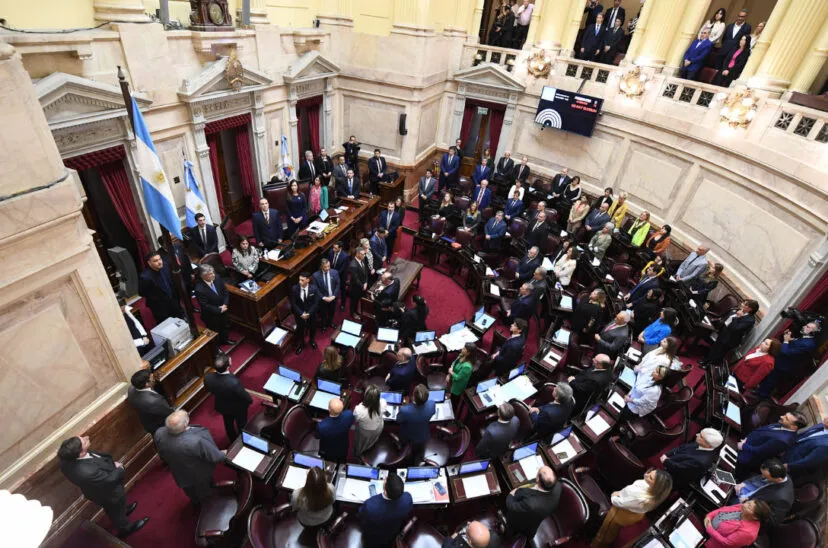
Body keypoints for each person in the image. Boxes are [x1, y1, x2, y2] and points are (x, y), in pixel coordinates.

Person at [58, 436, 149, 537]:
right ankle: (126, 528)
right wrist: (120, 468)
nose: (87, 437)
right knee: (115, 509)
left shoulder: (67, 459)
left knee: (116, 508)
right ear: (80, 453)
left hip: (97, 490)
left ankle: (123, 511)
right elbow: (109, 480)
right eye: (84, 441)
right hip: (108, 494)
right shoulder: (86, 472)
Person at [154, 410, 225, 504]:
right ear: (184, 426)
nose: (188, 414)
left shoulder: (159, 433)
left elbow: (162, 453)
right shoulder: (195, 441)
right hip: (199, 474)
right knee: (207, 495)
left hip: (180, 473)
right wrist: (223, 453)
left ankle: (196, 503)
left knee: (191, 493)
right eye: (187, 416)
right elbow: (216, 457)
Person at [591, 469, 672, 547]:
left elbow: (619, 503)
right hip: (631, 509)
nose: (646, 475)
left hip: (620, 513)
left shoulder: (641, 499)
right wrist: (620, 493)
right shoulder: (653, 492)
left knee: (605, 533)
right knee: (612, 531)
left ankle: (597, 545)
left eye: (650, 477)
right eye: (650, 473)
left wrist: (613, 496)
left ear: (656, 488)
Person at [757, 320, 821, 399]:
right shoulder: (805, 339)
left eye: (807, 327)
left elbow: (785, 352)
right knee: (767, 379)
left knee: (770, 382)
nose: (804, 327)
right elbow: (795, 346)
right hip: (780, 362)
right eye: (806, 325)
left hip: (784, 366)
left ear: (813, 332)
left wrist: (786, 341)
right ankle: (759, 391)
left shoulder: (808, 344)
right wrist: (789, 339)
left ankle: (760, 397)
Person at [736, 412, 807, 480]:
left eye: (786, 418)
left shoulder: (783, 441)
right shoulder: (782, 423)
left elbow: (760, 451)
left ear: (793, 427)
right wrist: (747, 438)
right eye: (785, 415)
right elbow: (761, 430)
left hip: (747, 457)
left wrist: (743, 446)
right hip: (745, 443)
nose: (781, 417)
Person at [204, 352, 252, 441]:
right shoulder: (234, 382)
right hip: (238, 408)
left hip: (222, 406)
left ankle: (232, 440)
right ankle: (244, 439)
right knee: (241, 424)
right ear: (228, 366)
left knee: (228, 424)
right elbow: (245, 397)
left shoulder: (207, 377)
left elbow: (209, 390)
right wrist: (250, 401)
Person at [504, 466, 561, 538]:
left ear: (537, 479)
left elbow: (511, 505)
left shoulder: (530, 503)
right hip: (540, 513)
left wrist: (511, 494)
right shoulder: (558, 486)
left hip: (522, 522)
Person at [732, 459, 794, 526]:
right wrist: (744, 483)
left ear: (779, 479)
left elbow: (772, 521)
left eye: (766, 476)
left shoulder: (782, 499)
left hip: (747, 510)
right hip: (747, 495)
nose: (762, 477)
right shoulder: (779, 474)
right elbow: (760, 477)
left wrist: (748, 503)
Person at [359, 473, 414, 548]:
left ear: (385, 489)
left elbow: (360, 515)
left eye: (385, 480)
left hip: (372, 540)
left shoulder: (370, 506)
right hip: (392, 536)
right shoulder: (407, 499)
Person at [703, 299, 759, 366]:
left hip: (730, 339)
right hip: (724, 332)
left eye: (745, 304)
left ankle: (710, 366)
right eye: (743, 303)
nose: (742, 304)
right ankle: (706, 361)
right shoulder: (739, 310)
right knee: (715, 347)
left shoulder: (750, 320)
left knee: (719, 353)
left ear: (749, 309)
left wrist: (738, 317)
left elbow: (735, 328)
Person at [138, 251, 184, 324]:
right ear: (149, 263)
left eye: (160, 259)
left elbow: (172, 280)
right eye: (155, 261)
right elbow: (142, 292)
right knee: (166, 325)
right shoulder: (145, 277)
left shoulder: (166, 265)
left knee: (181, 319)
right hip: (159, 305)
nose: (159, 262)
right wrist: (157, 296)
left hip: (173, 299)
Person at [703, 500, 769, 548]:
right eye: (748, 502)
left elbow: (727, 543)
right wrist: (709, 516)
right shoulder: (742, 507)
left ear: (755, 517)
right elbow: (724, 509)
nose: (744, 505)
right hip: (707, 525)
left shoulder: (748, 533)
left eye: (749, 507)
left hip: (711, 542)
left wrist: (709, 528)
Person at [127, 369, 173, 436]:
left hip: (147, 422)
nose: (154, 379)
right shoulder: (155, 401)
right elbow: (169, 412)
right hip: (161, 426)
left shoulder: (131, 389)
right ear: (147, 384)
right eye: (152, 379)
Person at [194, 264, 230, 345]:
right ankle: (217, 346)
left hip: (223, 308)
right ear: (203, 276)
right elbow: (205, 305)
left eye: (213, 272)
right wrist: (219, 310)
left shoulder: (216, 277)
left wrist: (225, 304)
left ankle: (225, 340)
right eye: (210, 274)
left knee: (224, 325)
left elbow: (225, 292)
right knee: (215, 330)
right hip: (211, 315)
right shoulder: (199, 289)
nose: (213, 274)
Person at [784, 415, 828, 482]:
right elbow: (803, 436)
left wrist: (788, 466)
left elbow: (808, 462)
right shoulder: (822, 425)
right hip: (786, 451)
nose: (826, 418)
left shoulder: (825, 446)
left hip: (790, 466)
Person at [398, 384, 436, 461]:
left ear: (413, 397)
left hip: (406, 435)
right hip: (422, 435)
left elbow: (398, 420)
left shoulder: (404, 410)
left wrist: (405, 405)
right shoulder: (432, 404)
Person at [315, 397, 354, 463]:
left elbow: (317, 436)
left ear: (329, 409)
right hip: (343, 447)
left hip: (328, 451)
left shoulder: (321, 426)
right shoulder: (349, 414)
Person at [291, 272, 319, 354]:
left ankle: (312, 340)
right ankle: (302, 344)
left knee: (313, 328)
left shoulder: (314, 289)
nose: (300, 282)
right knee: (300, 330)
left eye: (302, 280)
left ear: (308, 280)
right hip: (299, 315)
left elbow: (315, 303)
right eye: (299, 279)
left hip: (311, 314)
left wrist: (309, 313)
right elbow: (294, 303)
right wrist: (301, 313)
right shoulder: (294, 289)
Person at [354, 385, 386, 457]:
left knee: (360, 444)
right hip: (378, 428)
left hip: (365, 431)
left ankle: (359, 455)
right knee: (373, 441)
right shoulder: (383, 403)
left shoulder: (358, 409)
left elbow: (356, 420)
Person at [312, 258, 340, 330]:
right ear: (321, 266)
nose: (327, 268)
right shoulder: (315, 276)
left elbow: (337, 285)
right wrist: (324, 298)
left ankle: (330, 322)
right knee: (323, 313)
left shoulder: (335, 272)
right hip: (323, 300)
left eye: (328, 266)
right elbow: (316, 289)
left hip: (333, 298)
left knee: (332, 311)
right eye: (325, 267)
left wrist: (334, 296)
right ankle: (324, 324)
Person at [447, 343, 475, 407]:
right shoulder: (462, 354)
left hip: (458, 385)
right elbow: (454, 362)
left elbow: (459, 378)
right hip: (452, 379)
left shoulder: (467, 366)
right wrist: (450, 372)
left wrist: (451, 372)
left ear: (468, 353)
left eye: (464, 349)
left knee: (453, 401)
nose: (462, 349)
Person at [348, 248, 369, 318]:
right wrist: (362, 286)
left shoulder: (362, 260)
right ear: (357, 254)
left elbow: (366, 271)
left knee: (360, 300)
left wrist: (365, 282)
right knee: (354, 302)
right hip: (355, 288)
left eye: (364, 254)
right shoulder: (353, 265)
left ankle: (357, 311)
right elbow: (355, 279)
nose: (364, 255)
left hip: (363, 285)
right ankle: (352, 313)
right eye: (363, 254)